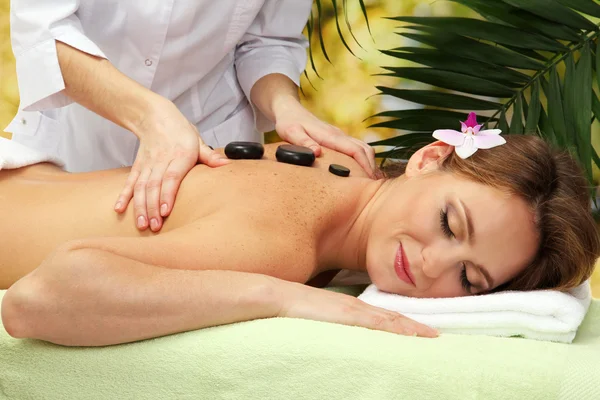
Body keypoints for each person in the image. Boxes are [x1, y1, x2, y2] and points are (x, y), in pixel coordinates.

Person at [1, 128, 598, 347]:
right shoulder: (285, 246)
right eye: (449, 223)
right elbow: (37, 301)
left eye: (470, 280)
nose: (431, 264)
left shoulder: (340, 168)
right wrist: (285, 296)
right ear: (429, 158)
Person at [5, 0, 377, 234]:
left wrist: (286, 107)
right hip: (75, 137)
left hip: (208, 149)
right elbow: (43, 33)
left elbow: (266, 41)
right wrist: (153, 116)